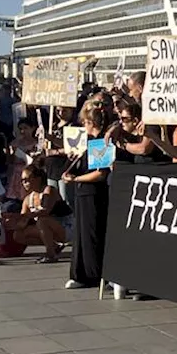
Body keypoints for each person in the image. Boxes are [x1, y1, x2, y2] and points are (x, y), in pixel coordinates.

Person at [63, 101, 111, 289]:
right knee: (82, 234)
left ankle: (96, 273)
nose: (83, 126)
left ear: (91, 122)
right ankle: (81, 273)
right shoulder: (88, 142)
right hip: (83, 193)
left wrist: (76, 179)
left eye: (85, 122)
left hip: (94, 193)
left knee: (93, 234)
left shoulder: (100, 141)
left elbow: (101, 173)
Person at [5, 164, 69, 263]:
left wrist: (19, 216)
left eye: (26, 180)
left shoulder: (49, 190)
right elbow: (22, 222)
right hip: (50, 228)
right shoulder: (27, 199)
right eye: (22, 180)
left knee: (42, 221)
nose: (24, 183)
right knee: (18, 235)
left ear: (38, 179)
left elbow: (45, 211)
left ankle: (51, 254)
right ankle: (54, 246)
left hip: (66, 227)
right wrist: (8, 223)